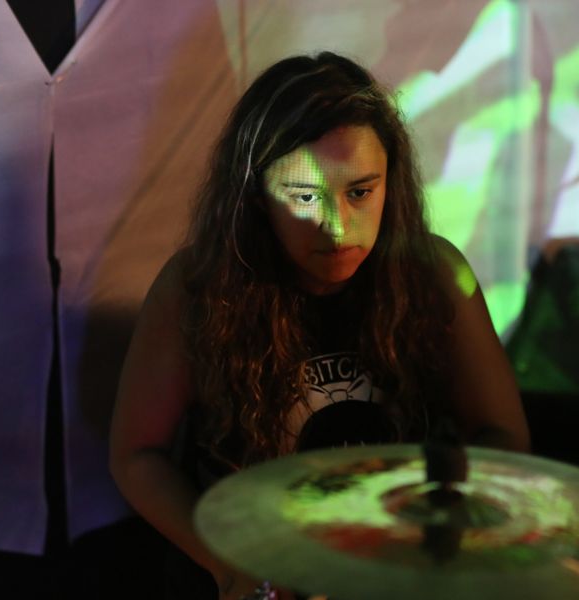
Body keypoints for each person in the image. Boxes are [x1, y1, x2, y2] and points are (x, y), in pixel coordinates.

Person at [109, 51, 529, 600]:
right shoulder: (197, 285)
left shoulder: (436, 276)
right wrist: (228, 566)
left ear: (391, 181)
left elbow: (505, 437)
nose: (337, 227)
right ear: (256, 195)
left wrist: (430, 527)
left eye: (361, 192)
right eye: (306, 196)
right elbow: (137, 456)